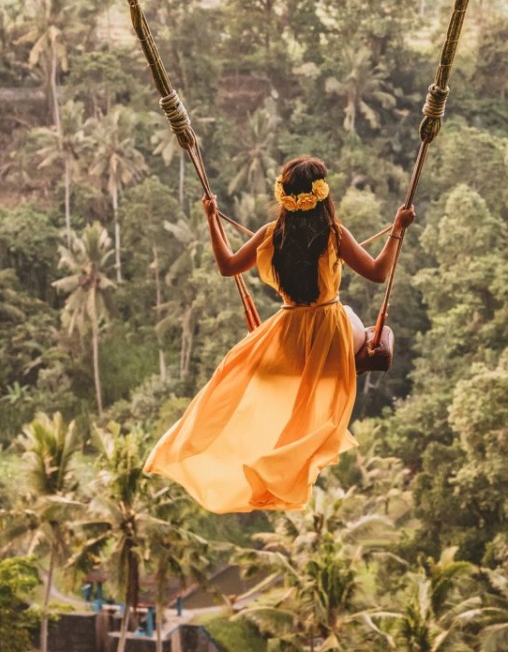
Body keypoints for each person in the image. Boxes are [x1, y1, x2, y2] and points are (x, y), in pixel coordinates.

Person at [143, 156, 415, 513]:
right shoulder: (334, 234)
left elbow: (227, 266)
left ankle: (206, 446)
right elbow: (380, 273)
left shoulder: (271, 235)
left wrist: (212, 220)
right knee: (357, 321)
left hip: (286, 335)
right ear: (323, 195)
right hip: (332, 332)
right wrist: (397, 228)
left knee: (234, 371)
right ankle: (340, 366)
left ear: (284, 195)